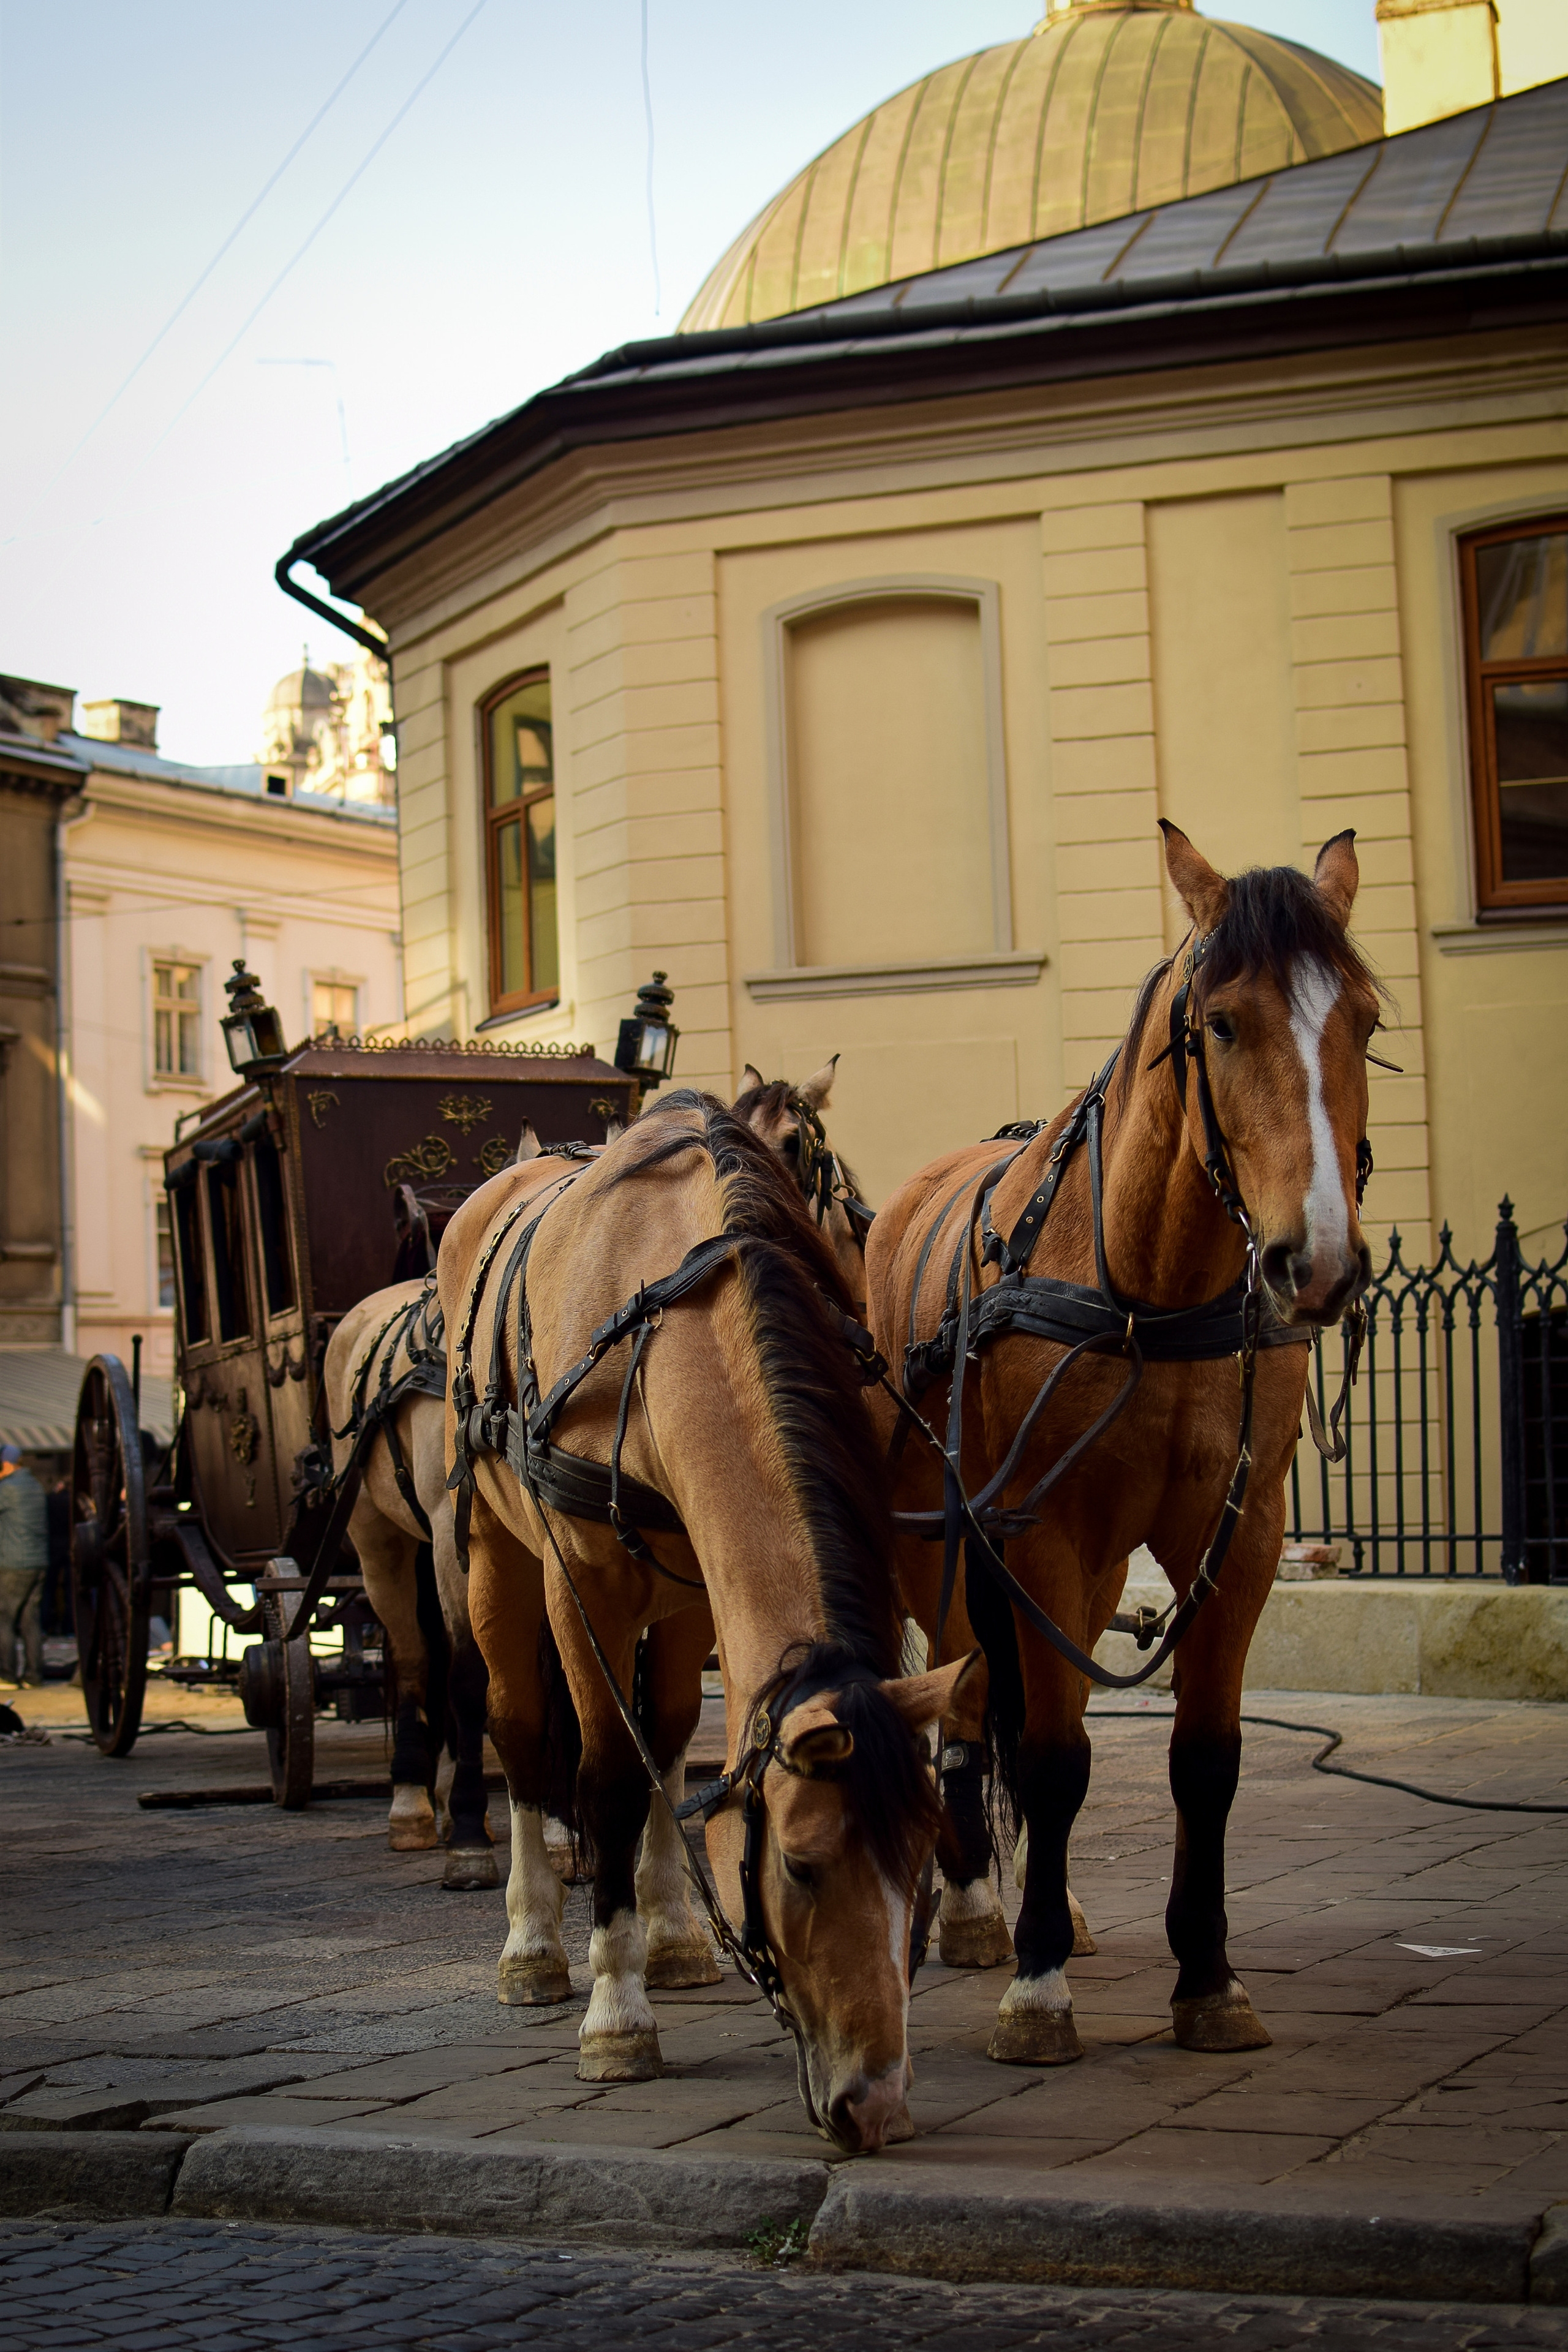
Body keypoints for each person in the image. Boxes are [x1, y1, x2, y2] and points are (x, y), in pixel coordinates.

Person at [0, 1443, 48, 1686]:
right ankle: (34, 1674)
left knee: (4, 1618)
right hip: (38, 1561)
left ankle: (6, 1674)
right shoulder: (35, 1486)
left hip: (15, 1563)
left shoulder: (8, 1489)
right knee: (30, 1620)